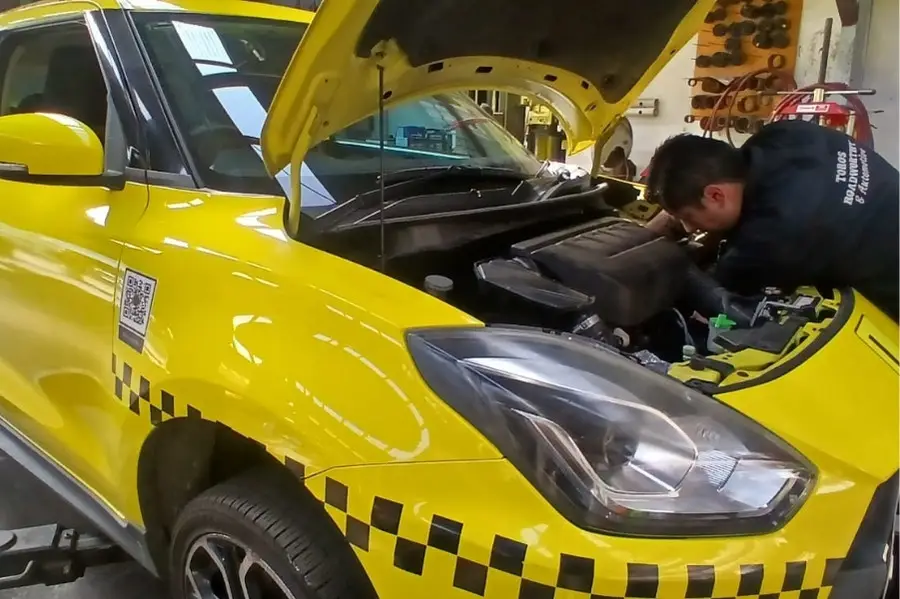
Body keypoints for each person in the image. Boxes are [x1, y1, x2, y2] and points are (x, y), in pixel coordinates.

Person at [644, 119, 899, 320]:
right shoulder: (782, 134)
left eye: (687, 217)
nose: (688, 227)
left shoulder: (771, 237)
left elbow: (718, 293)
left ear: (715, 195)